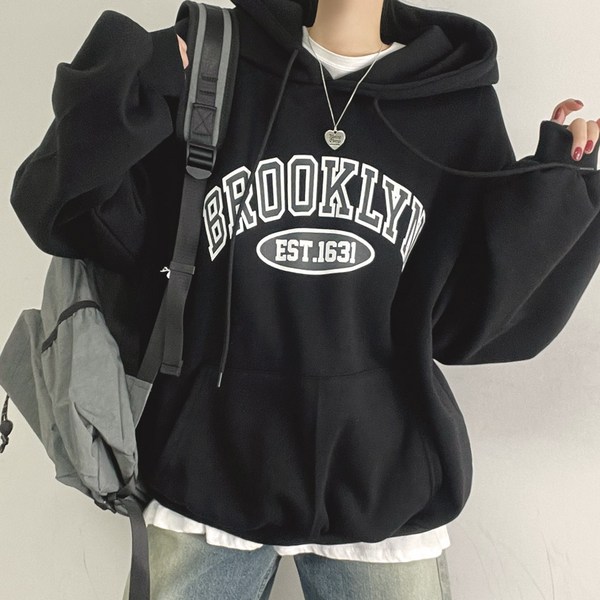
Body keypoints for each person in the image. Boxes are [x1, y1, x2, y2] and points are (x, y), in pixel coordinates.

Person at [8, 0, 599, 598]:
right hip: (209, 474)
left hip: (380, 482)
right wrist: (131, 81)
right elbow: (73, 218)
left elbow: (470, 322)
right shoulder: (215, 59)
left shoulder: (452, 99)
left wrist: (562, 185)